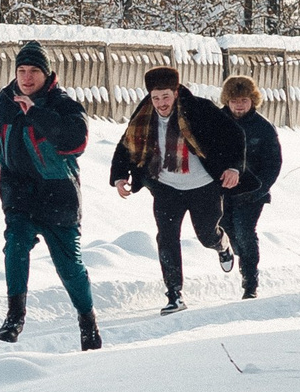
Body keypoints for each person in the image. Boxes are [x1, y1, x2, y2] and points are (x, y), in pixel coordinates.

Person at [0, 40, 102, 351]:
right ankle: (14, 316)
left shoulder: (64, 106)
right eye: (21, 70)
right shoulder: (2, 103)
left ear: (47, 74)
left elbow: (76, 142)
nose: (27, 77)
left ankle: (87, 321)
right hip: (19, 194)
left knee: (69, 266)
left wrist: (37, 114)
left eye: (34, 71)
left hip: (58, 195)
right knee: (15, 247)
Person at [109, 65, 245, 315]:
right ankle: (174, 295)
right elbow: (126, 144)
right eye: (156, 98)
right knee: (167, 237)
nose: (161, 103)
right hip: (166, 187)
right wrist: (119, 176)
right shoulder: (145, 113)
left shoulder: (199, 109)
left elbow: (234, 136)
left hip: (202, 185)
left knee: (205, 234)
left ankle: (221, 243)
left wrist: (234, 168)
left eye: (166, 97)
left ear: (176, 92)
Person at [218, 75, 283, 300]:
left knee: (245, 232)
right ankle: (230, 251)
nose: (239, 105)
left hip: (252, 192)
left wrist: (260, 189)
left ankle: (250, 281)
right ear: (227, 100)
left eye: (244, 100)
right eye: (234, 100)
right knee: (226, 229)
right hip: (222, 191)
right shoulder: (215, 121)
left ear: (252, 101)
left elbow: (274, 163)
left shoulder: (263, 128)